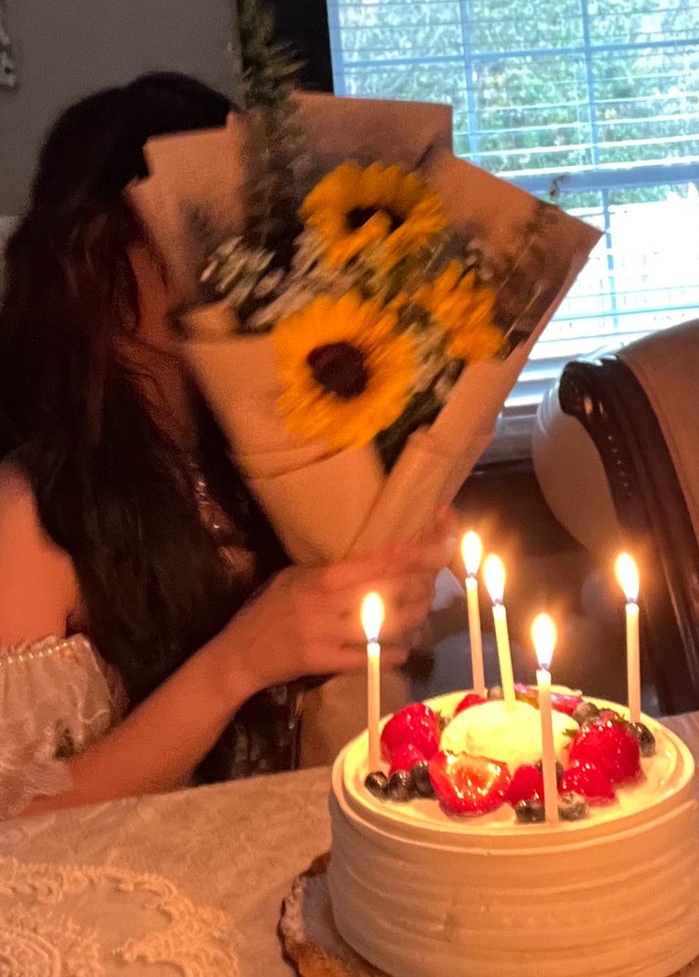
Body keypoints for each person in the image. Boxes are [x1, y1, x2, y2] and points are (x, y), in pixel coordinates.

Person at [0, 72, 451, 818]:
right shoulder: (33, 511)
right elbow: (18, 815)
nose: (230, 244)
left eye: (248, 214)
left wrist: (387, 583)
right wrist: (239, 659)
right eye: (188, 213)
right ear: (97, 256)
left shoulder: (293, 450)